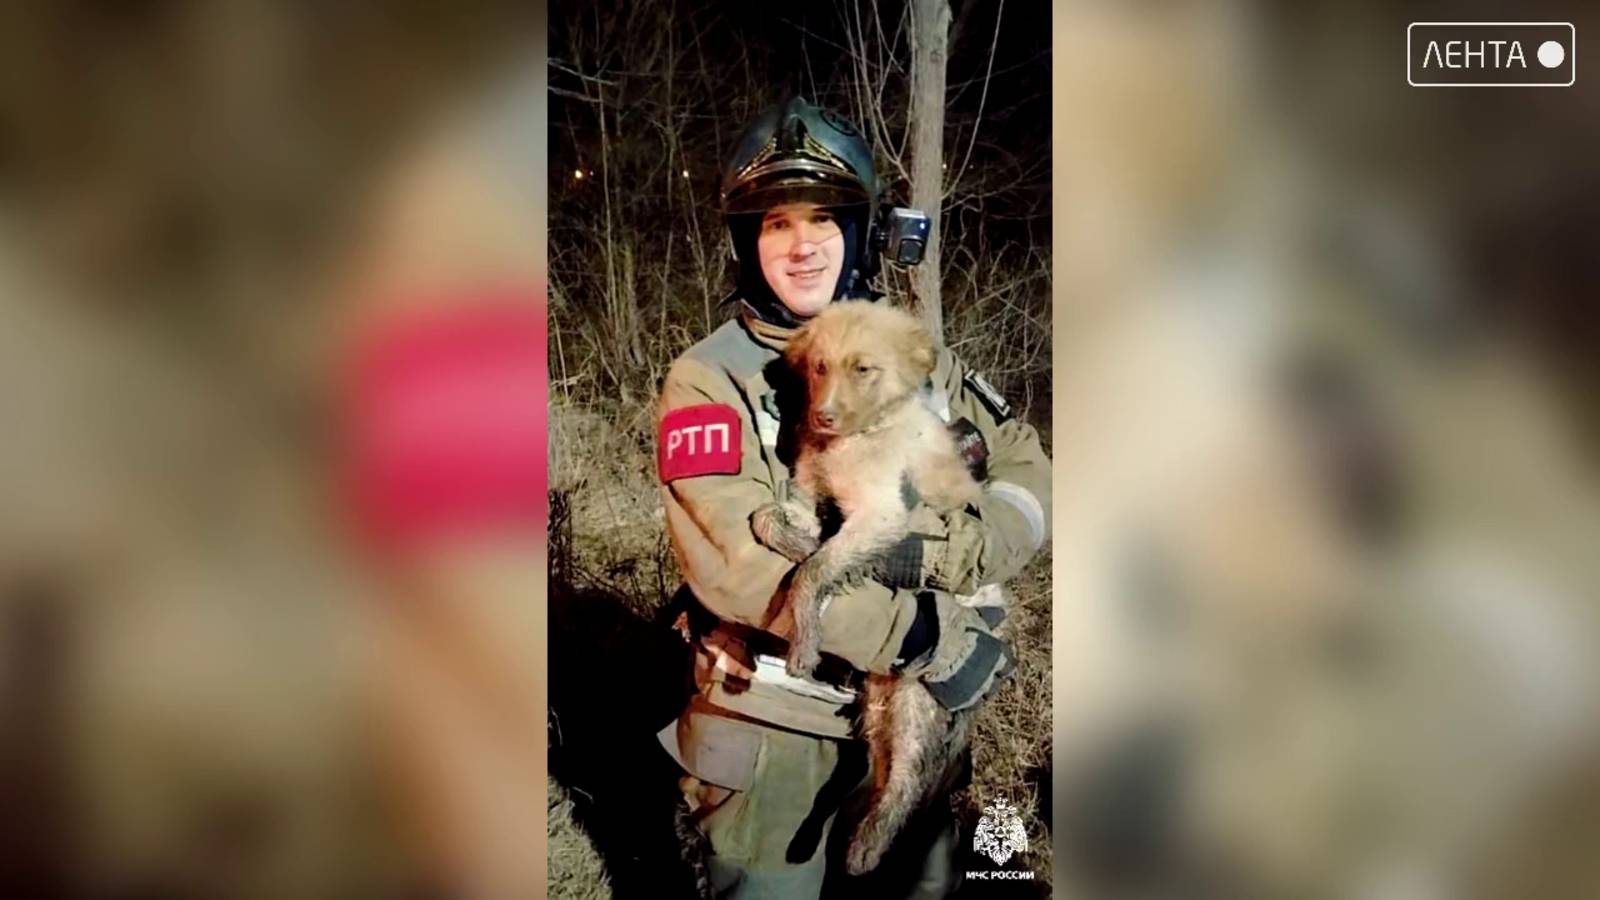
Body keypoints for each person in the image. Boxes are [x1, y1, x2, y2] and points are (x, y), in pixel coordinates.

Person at [656, 97, 1051, 898]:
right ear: (746, 242)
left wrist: (971, 549)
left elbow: (1025, 465)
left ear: (861, 232)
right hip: (779, 730)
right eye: (777, 223)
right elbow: (738, 565)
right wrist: (921, 637)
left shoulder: (901, 348)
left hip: (921, 729)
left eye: (824, 220)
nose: (802, 245)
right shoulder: (712, 377)